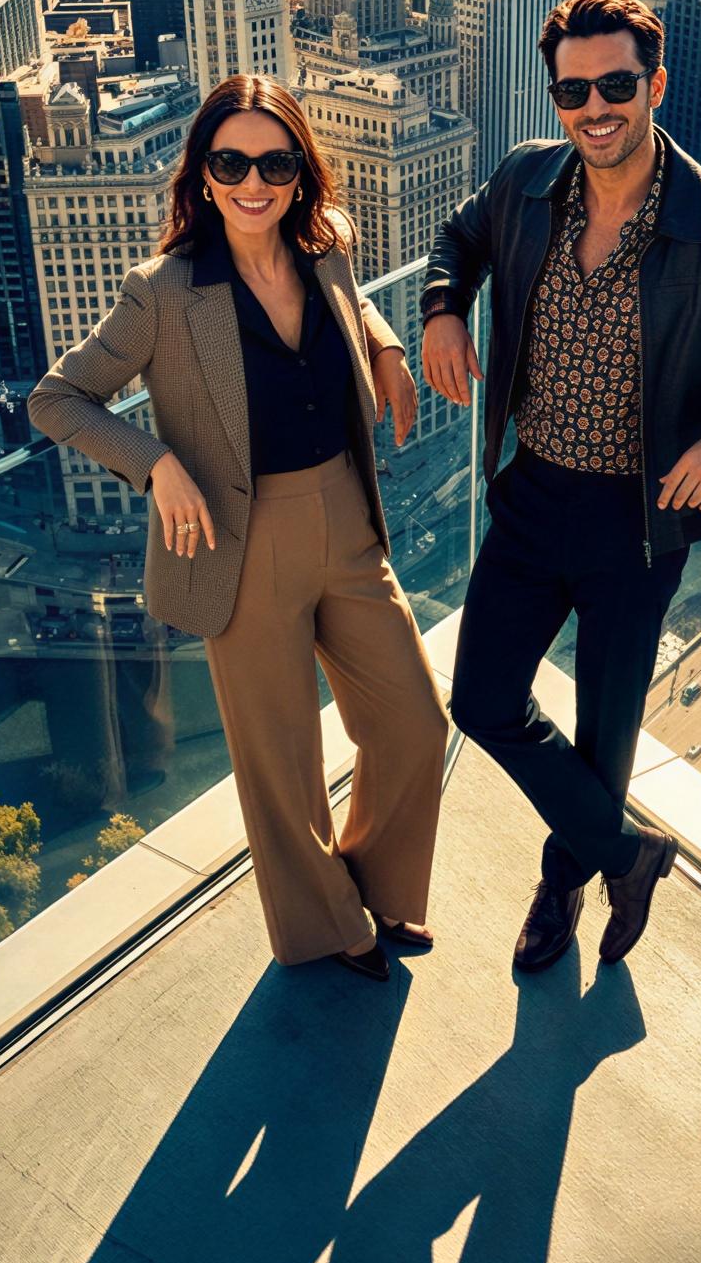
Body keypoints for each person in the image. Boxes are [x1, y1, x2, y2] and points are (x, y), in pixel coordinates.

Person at [422, 0, 701, 972]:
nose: (594, 106)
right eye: (573, 90)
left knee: (603, 727)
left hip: (641, 519)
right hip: (533, 494)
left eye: (616, 83)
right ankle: (625, 853)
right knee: (481, 699)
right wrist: (444, 306)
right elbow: (457, 243)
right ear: (556, 99)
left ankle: (561, 883)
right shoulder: (525, 182)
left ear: (653, 84)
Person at [28, 75, 448, 984]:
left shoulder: (324, 244)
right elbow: (57, 399)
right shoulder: (164, 292)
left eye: (273, 162)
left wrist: (383, 347)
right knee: (282, 757)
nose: (252, 182)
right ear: (203, 175)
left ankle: (368, 880)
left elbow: (355, 299)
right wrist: (156, 464)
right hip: (237, 539)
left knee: (415, 721)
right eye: (231, 163)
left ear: (301, 171)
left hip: (343, 514)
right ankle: (326, 921)